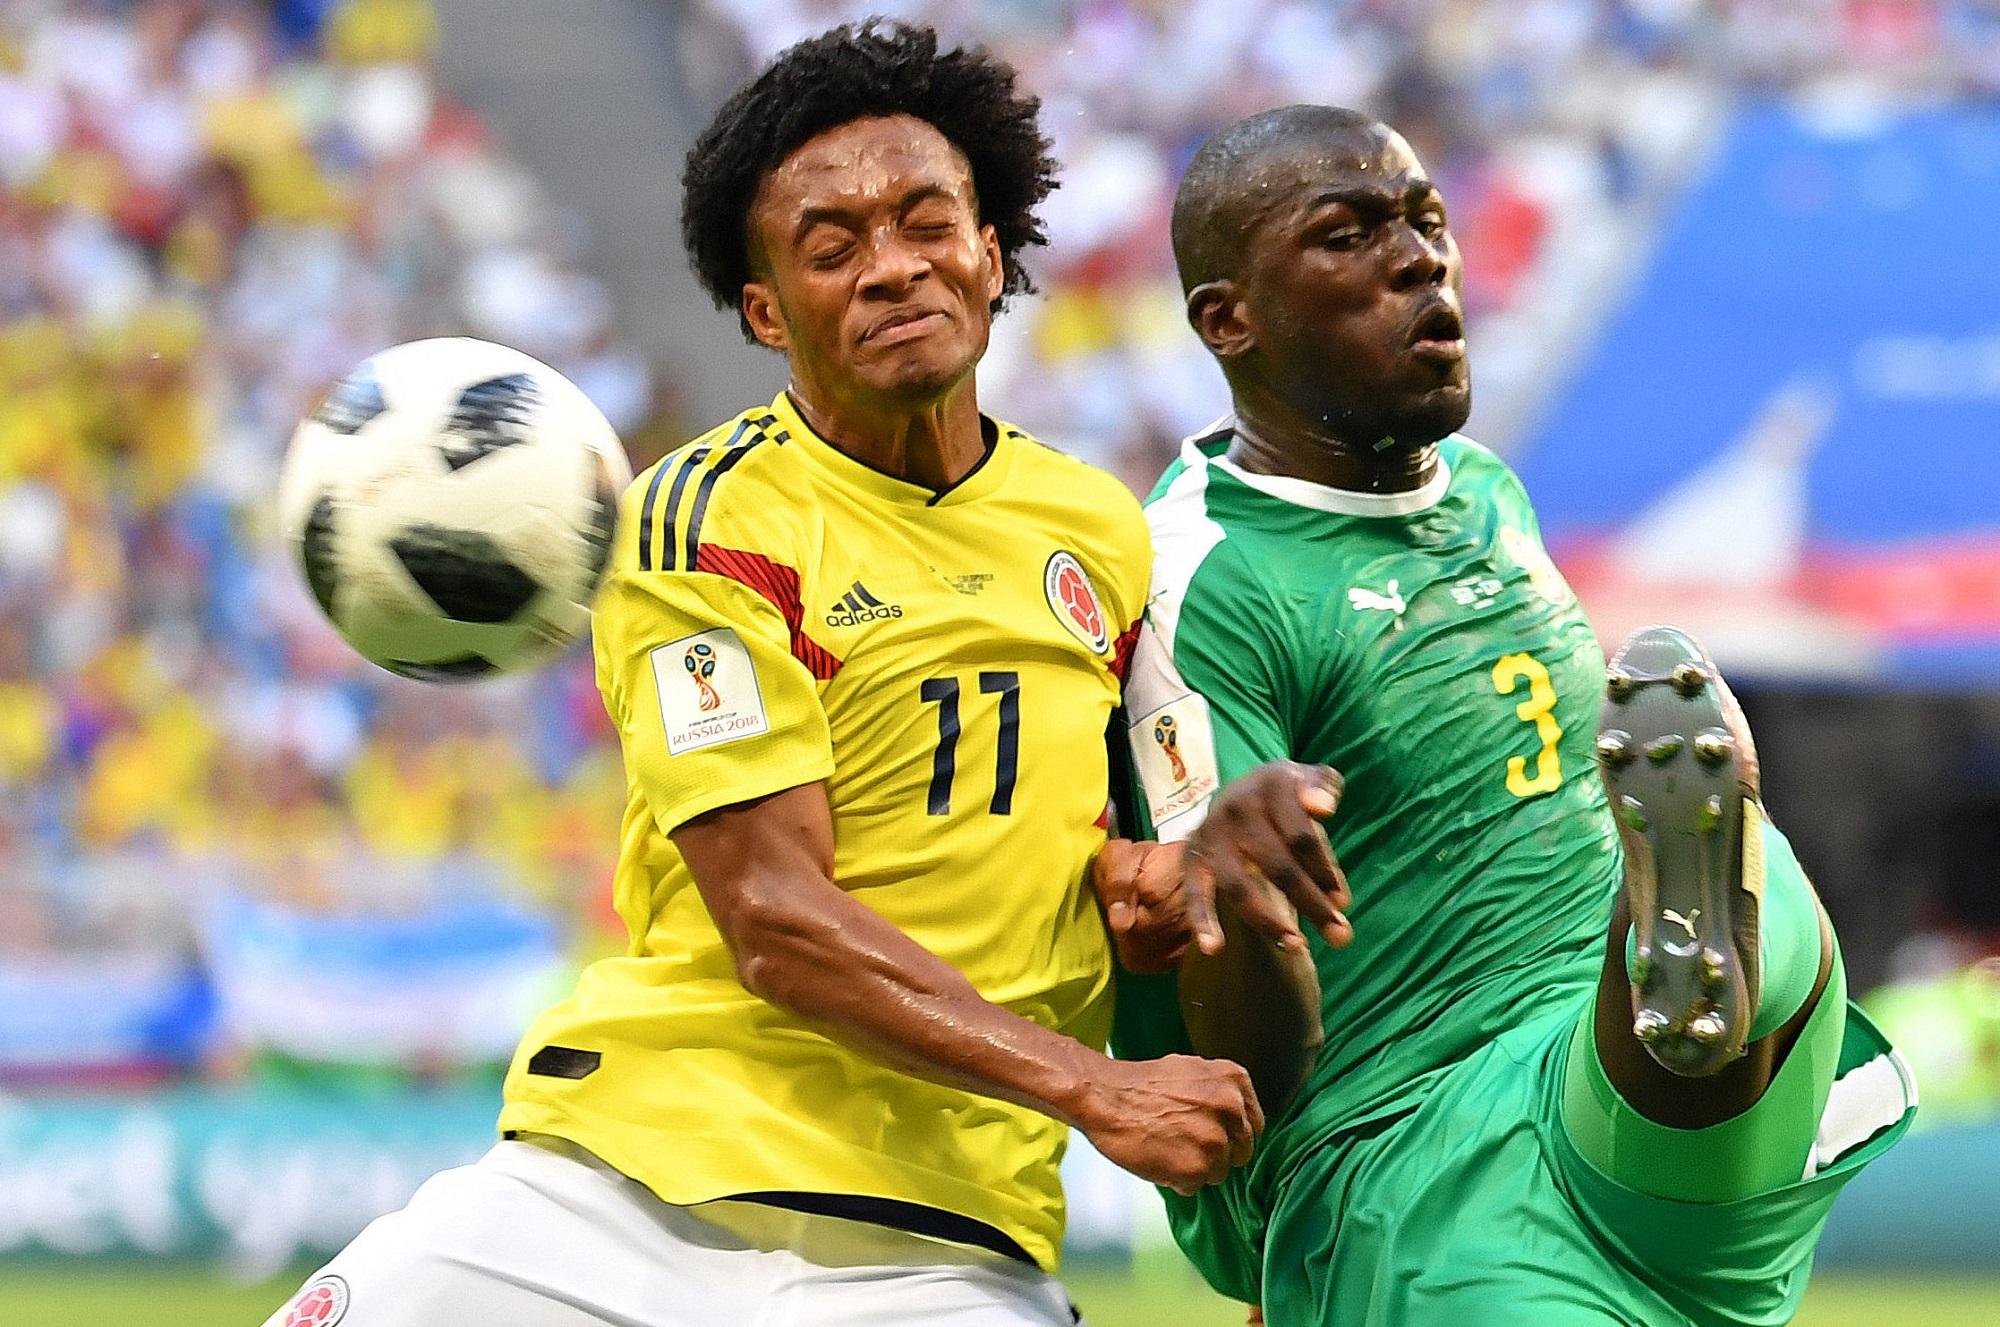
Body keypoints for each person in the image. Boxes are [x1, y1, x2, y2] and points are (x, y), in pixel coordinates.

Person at [264, 24, 1348, 1327]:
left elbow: (1127, 851)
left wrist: (1152, 888)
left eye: (925, 221)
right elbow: (775, 915)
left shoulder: (1102, 536)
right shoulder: (699, 521)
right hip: (623, 1186)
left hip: (943, 1240)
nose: (893, 268)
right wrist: (1091, 1082)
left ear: (992, 251)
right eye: (833, 249)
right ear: (769, 312)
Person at [1102, 105, 1916, 1326]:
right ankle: (1692, 970)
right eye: (1348, 235)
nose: (1420, 257)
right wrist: (1234, 886)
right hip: (1419, 1141)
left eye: (1426, 220)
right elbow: (1233, 1057)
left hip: (1587, 1064)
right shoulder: (1200, 579)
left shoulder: (1483, 486)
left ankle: (1682, 960)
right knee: (1750, 930)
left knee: (1763, 906)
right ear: (1229, 318)